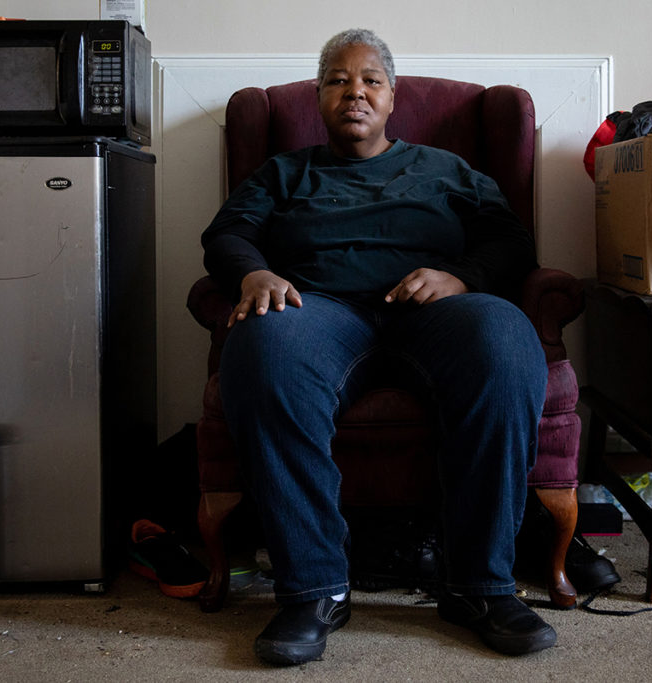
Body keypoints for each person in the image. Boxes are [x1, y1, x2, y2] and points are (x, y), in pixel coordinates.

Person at [201, 28, 555, 665]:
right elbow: (229, 234)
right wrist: (252, 273)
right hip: (322, 313)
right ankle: (312, 590)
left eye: (370, 81)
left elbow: (511, 242)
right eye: (338, 80)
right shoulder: (286, 172)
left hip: (435, 312)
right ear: (319, 98)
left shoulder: (447, 170)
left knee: (505, 338)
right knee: (263, 346)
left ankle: (480, 587)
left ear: (394, 98)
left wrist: (462, 278)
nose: (354, 92)